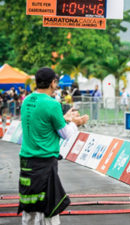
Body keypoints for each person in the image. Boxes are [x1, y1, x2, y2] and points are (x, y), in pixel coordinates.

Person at [18, 67, 89, 225]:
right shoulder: (52, 104)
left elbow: (42, 122)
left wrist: (64, 117)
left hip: (26, 162)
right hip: (44, 163)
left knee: (29, 207)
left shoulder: (27, 101)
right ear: (53, 83)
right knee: (50, 209)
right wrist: (75, 122)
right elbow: (65, 133)